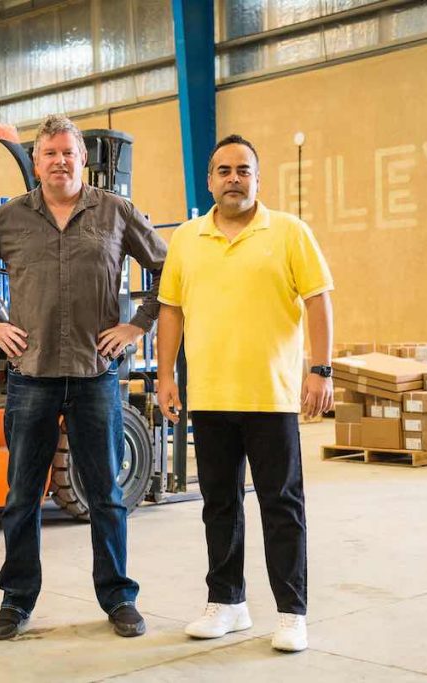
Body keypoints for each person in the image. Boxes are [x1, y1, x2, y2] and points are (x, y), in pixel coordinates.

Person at [0, 114, 167, 640]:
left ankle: (118, 596)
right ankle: (16, 600)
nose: (60, 161)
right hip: (32, 376)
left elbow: (170, 268)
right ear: (36, 162)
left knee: (105, 494)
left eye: (69, 153)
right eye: (51, 154)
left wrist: (137, 325)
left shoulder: (115, 212)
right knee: (22, 496)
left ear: (83, 159)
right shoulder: (11, 218)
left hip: (95, 375)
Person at [156, 134, 334, 653]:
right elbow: (171, 310)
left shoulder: (289, 232)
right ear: (209, 181)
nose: (234, 178)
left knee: (282, 506)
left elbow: (319, 301)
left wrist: (320, 369)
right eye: (224, 170)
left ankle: (292, 613)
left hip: (271, 396)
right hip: (210, 395)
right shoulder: (186, 239)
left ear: (258, 178)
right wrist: (165, 376)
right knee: (219, 505)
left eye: (243, 170)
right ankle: (227, 602)